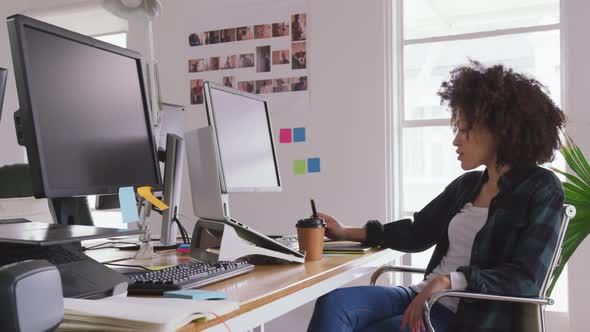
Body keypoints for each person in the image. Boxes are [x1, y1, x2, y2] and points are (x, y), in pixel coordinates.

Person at [307, 60, 566, 332]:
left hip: (464, 318)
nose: (456, 140)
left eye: (464, 130)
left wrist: (451, 281)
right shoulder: (468, 185)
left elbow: (527, 279)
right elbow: (418, 232)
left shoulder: (542, 188)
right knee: (333, 304)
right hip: (421, 296)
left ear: (500, 130)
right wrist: (347, 232)